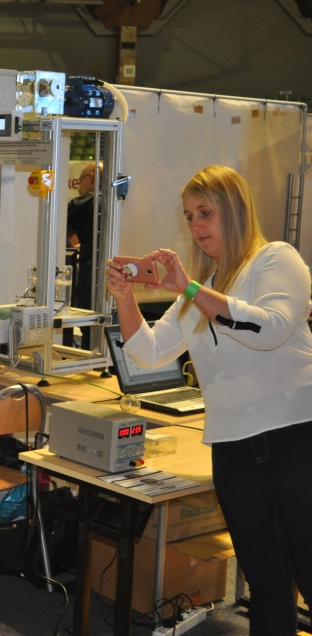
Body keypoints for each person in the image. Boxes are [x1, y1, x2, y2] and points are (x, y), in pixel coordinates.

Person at [105, 164, 312, 634]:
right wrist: (125, 298)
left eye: (205, 213)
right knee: (267, 584)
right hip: (234, 448)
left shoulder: (276, 259)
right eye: (189, 216)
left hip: (297, 436)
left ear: (234, 211)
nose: (196, 226)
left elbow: (268, 329)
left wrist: (189, 287)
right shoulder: (201, 290)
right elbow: (150, 352)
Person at [65, 161, 100, 347]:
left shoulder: (84, 202)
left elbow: (56, 224)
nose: (79, 188)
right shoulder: (121, 201)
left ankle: (90, 359)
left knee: (89, 323)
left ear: (92, 178)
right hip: (123, 270)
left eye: (80, 181)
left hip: (91, 269)